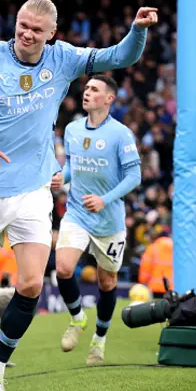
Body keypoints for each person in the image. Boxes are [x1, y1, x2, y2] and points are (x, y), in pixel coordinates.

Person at [0, 0, 158, 391]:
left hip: (34, 190)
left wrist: (138, 30)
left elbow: (120, 56)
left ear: (51, 33)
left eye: (36, 29)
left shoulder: (64, 58)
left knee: (32, 284)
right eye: (22, 25)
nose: (26, 33)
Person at [51, 74, 141, 365]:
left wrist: (105, 199)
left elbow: (134, 176)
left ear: (109, 99)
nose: (87, 92)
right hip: (77, 213)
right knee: (63, 268)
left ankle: (99, 341)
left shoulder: (121, 134)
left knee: (106, 281)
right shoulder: (73, 129)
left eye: (94, 89)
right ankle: (77, 318)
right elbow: (72, 169)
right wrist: (59, 178)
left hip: (108, 221)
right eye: (86, 88)